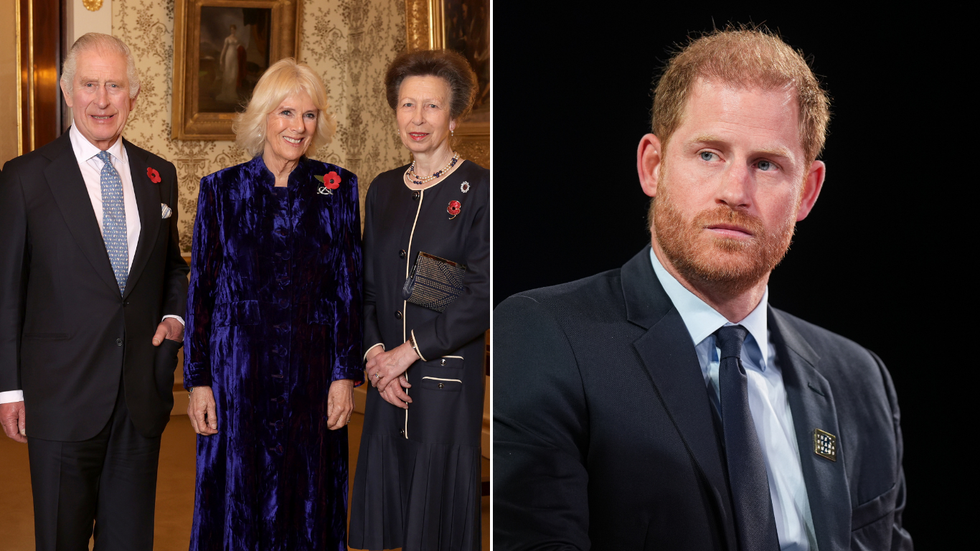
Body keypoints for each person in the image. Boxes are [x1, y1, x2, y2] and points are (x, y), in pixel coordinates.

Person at [493, 27, 913, 551]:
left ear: (807, 191)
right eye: (709, 154)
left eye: (766, 164)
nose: (735, 192)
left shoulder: (860, 380)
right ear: (653, 166)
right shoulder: (543, 338)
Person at [0, 33, 188, 549]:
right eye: (89, 85)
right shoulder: (24, 179)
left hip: (139, 398)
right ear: (67, 91)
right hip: (59, 398)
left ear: (134, 95)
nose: (102, 100)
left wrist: (175, 319)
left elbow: (172, 268)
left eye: (114, 86)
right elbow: (7, 292)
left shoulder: (159, 175)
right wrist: (9, 389)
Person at [183, 57, 362, 550]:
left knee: (308, 500)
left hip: (312, 375)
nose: (298, 126)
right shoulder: (220, 190)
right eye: (286, 112)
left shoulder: (338, 188)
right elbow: (201, 293)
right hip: (236, 377)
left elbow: (348, 287)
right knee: (236, 500)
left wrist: (344, 375)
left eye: (309, 115)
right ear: (262, 115)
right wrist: (198, 381)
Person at [348, 49, 490, 551]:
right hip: (388, 382)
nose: (418, 118)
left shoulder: (480, 190)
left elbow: (481, 293)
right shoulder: (383, 190)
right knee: (392, 520)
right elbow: (365, 288)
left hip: (444, 381)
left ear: (454, 117)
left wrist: (406, 353)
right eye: (408, 105)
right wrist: (377, 361)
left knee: (436, 526)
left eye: (432, 106)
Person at [216, 25, 240, 103]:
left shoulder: (237, 39)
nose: (233, 31)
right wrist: (221, 59)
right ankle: (225, 93)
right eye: (231, 30)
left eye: (234, 30)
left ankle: (232, 93)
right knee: (227, 74)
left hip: (234, 57)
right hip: (228, 56)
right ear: (230, 30)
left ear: (235, 30)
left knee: (233, 74)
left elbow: (238, 48)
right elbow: (224, 49)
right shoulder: (227, 39)